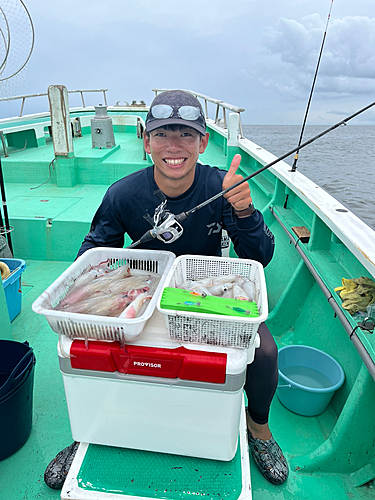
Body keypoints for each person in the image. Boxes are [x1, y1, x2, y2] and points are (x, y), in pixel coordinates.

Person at [44, 90, 288, 489]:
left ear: (203, 142)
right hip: (140, 294)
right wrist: (90, 279)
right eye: (162, 135)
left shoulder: (221, 187)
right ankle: (87, 431)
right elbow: (94, 247)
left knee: (264, 353)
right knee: (78, 346)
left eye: (186, 135)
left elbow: (259, 257)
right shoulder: (122, 194)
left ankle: (258, 428)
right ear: (145, 141)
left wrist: (243, 210)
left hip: (203, 296)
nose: (174, 146)